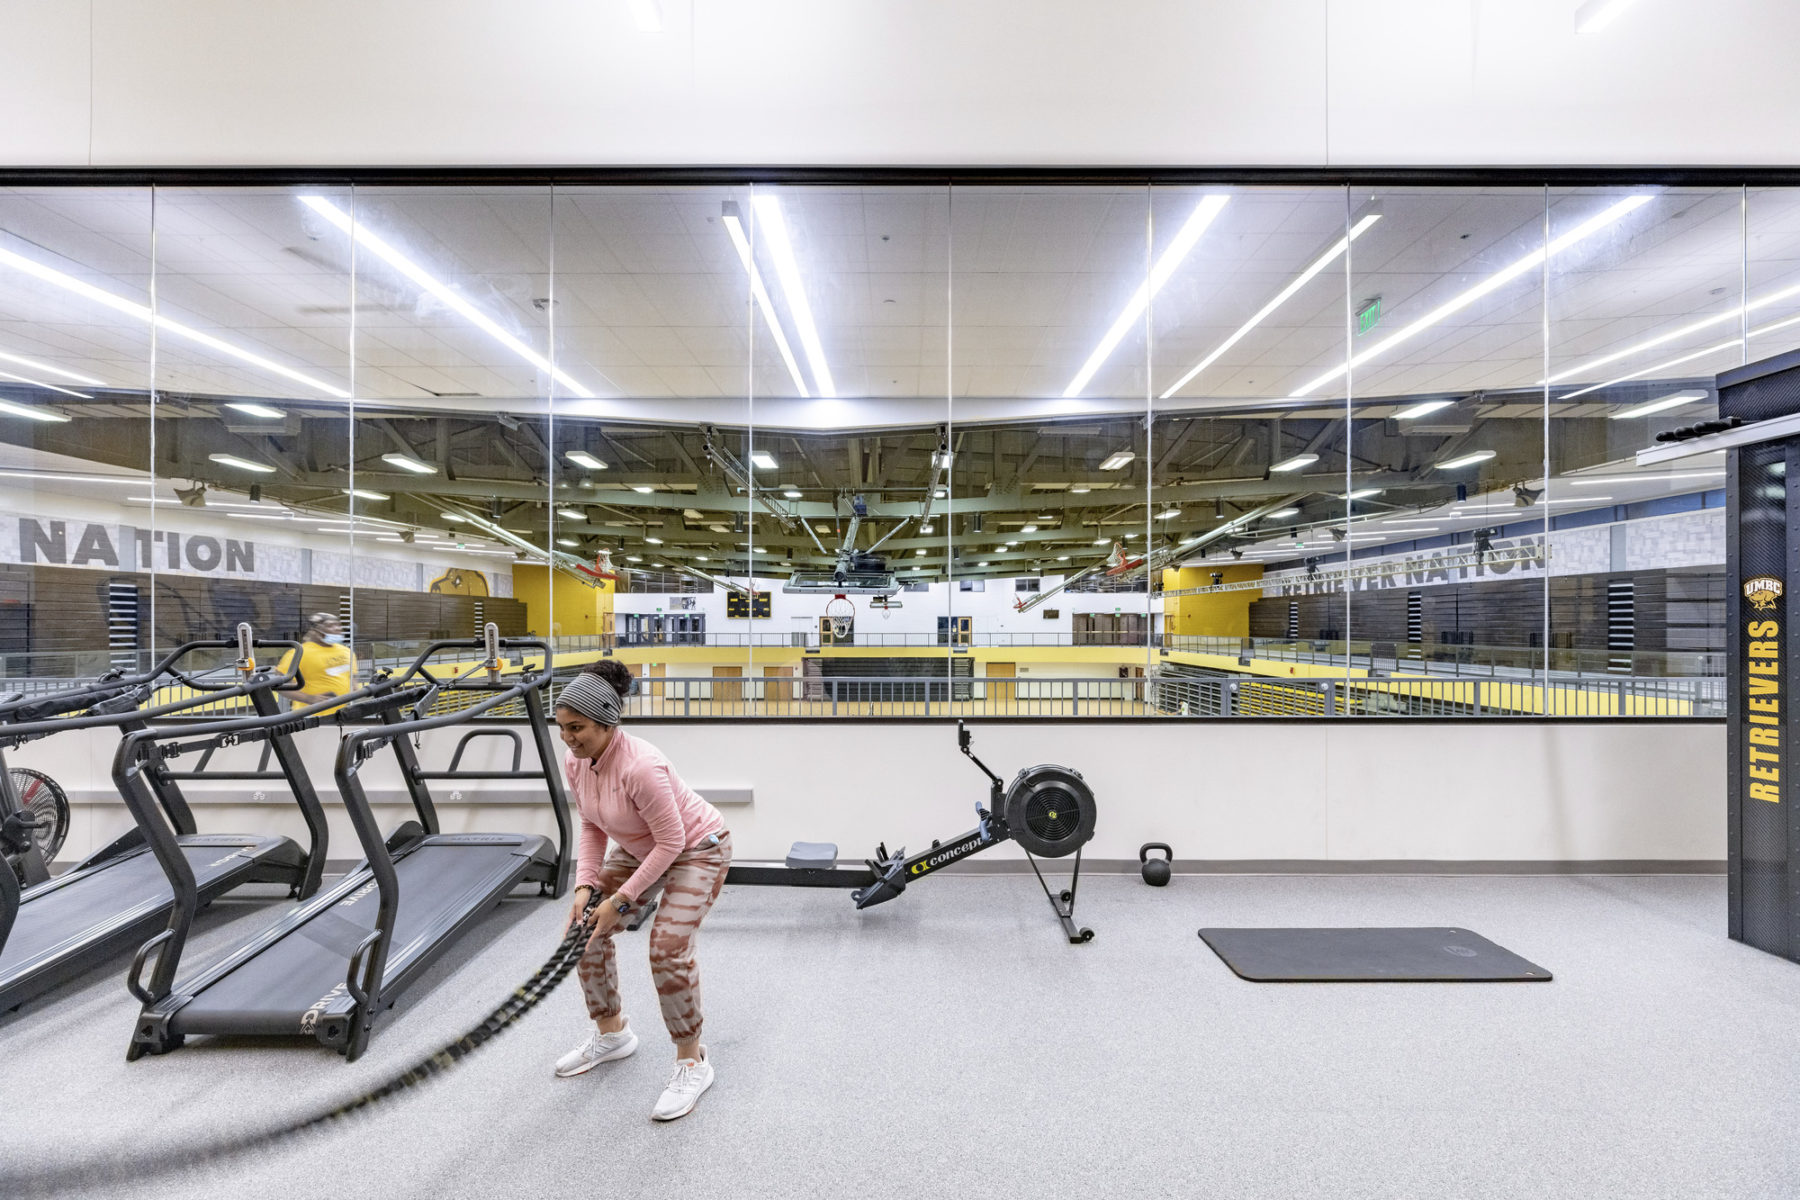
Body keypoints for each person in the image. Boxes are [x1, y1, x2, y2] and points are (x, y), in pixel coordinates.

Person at [551, 659, 731, 1121]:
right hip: (640, 848)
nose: (569, 739)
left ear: (607, 721)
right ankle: (612, 1034)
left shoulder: (641, 767)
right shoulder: (578, 762)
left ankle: (692, 1061)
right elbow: (591, 823)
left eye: (579, 728)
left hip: (697, 848)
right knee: (581, 930)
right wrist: (586, 887)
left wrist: (619, 901)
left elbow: (673, 841)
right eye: (563, 728)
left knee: (667, 947)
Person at [277, 612, 358, 709]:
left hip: (344, 714)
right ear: (314, 631)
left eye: (338, 625)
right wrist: (309, 698)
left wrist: (354, 687)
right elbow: (280, 685)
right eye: (330, 625)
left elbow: (351, 676)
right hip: (312, 716)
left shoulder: (346, 651)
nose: (337, 628)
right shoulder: (298, 653)